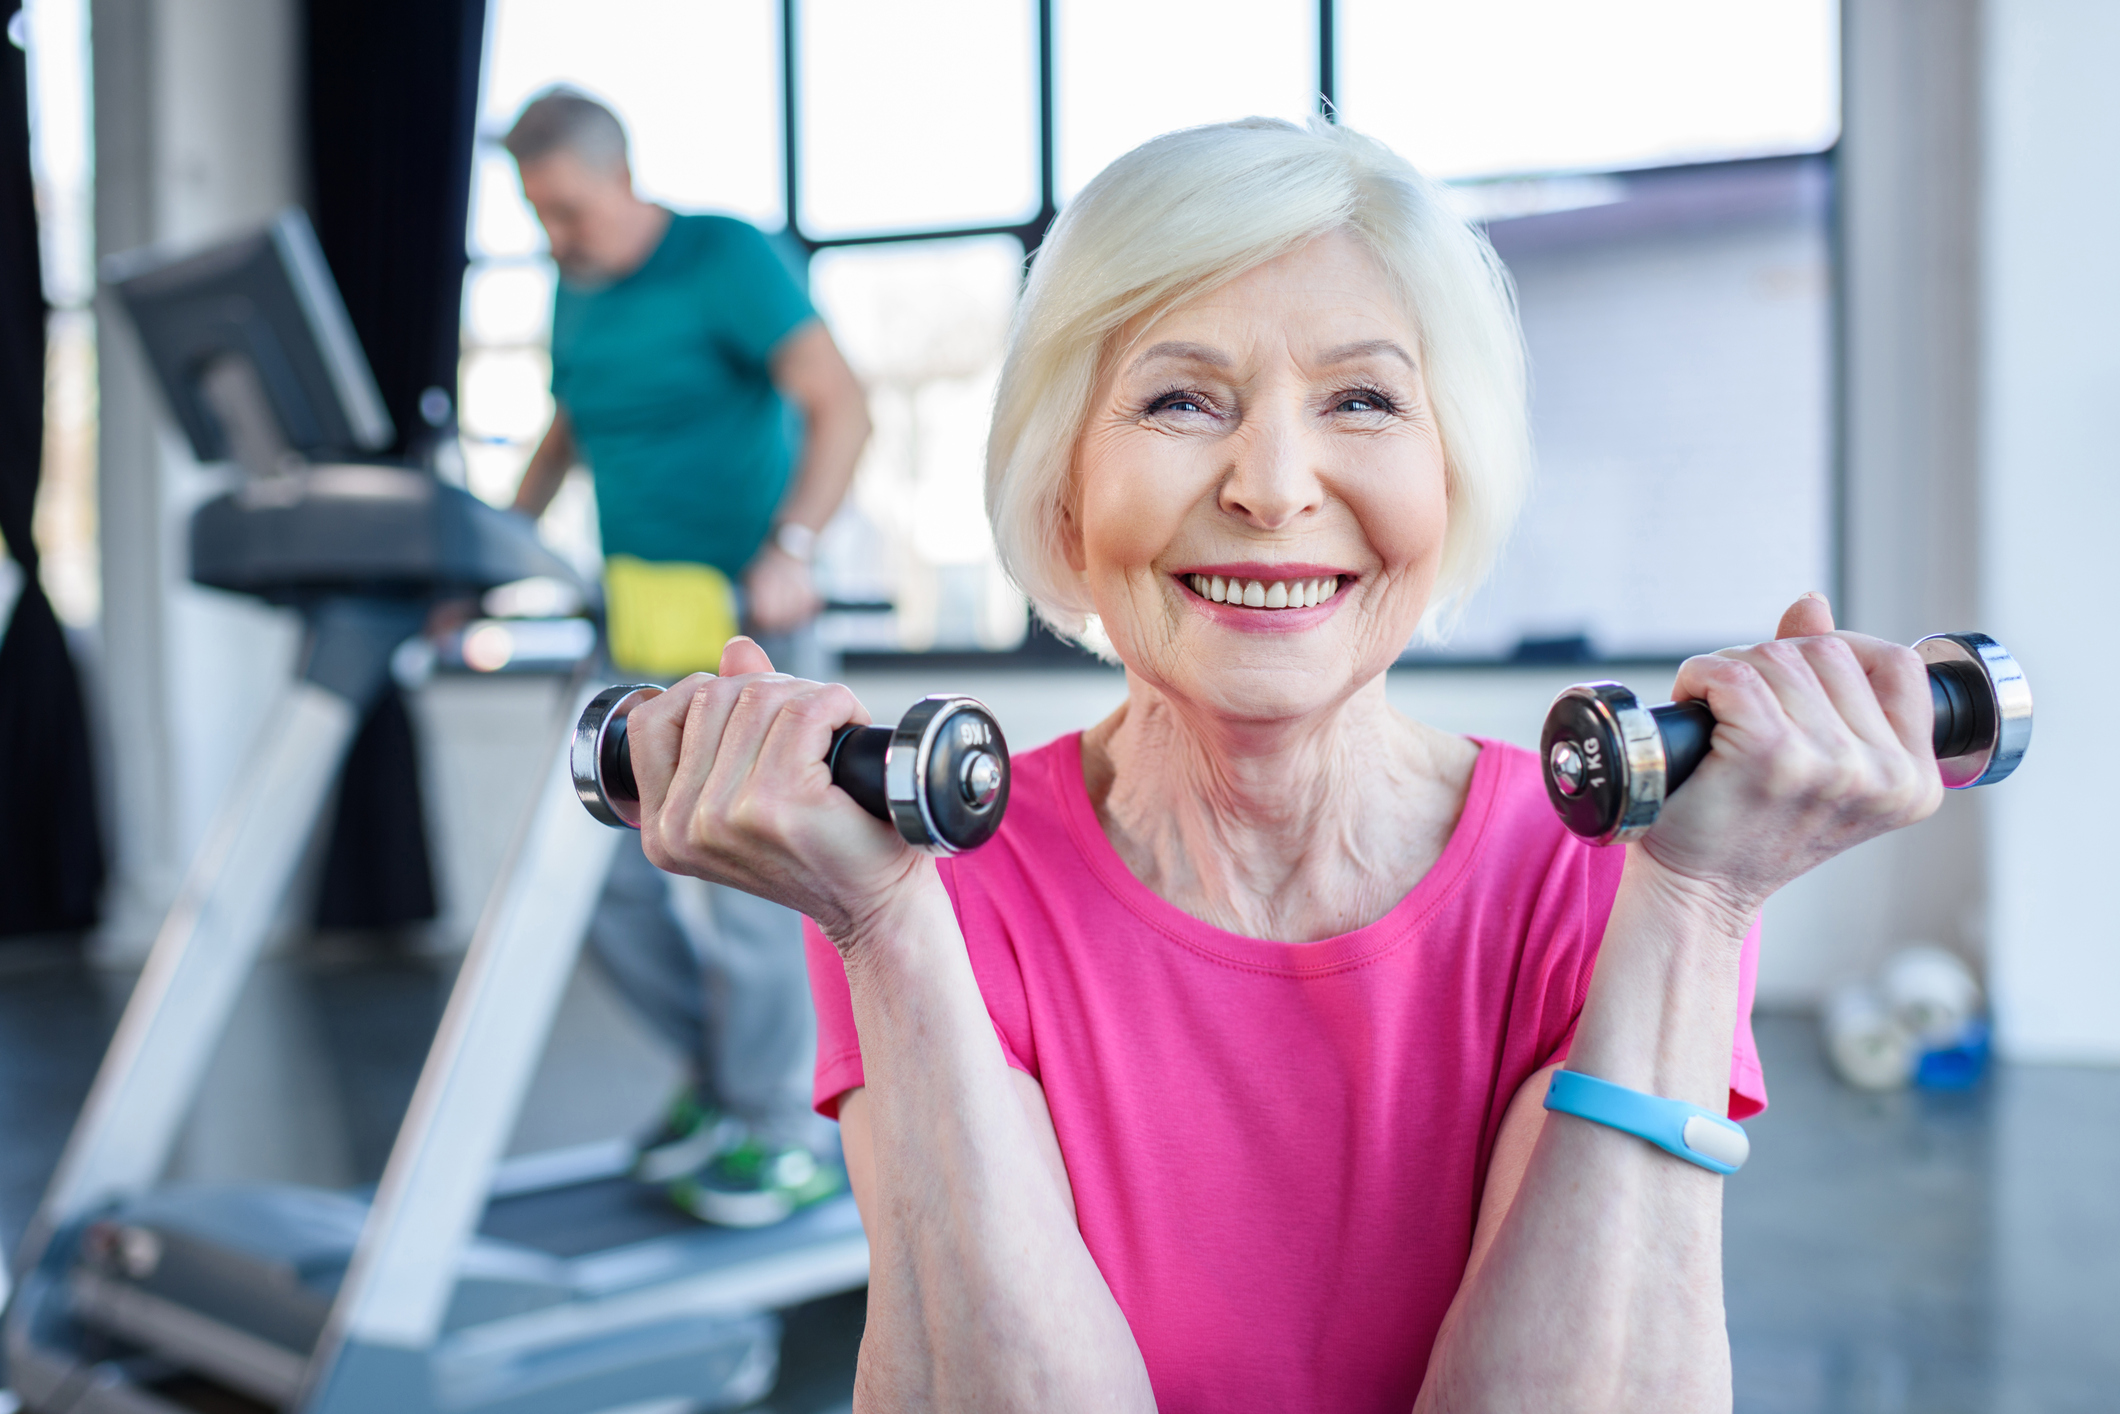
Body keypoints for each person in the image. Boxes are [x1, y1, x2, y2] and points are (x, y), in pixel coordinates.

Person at [618, 118, 1944, 1409]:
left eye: (1362, 397)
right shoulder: (932, 884)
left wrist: (1704, 906)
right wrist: (881, 926)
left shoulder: (1609, 871)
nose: (1271, 482)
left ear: (1449, 478)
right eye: (1181, 397)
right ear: (1068, 490)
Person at [503, 88, 871, 1226]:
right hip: (634, 624)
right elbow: (569, 429)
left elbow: (840, 405)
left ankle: (777, 1126)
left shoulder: (718, 257)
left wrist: (791, 545)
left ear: (617, 176)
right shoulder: (573, 290)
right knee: (602, 872)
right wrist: (492, 545)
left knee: (755, 874)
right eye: (538, 216)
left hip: (748, 619)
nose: (555, 236)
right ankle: (729, 1080)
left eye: (565, 208)